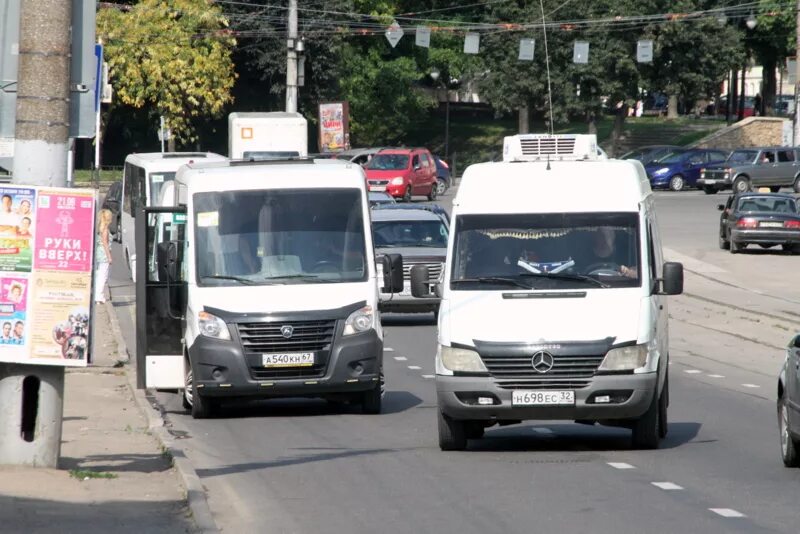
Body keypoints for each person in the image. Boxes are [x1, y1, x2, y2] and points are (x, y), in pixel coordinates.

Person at [94, 209, 113, 304]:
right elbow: (105, 243)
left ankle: (97, 295)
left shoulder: (99, 228)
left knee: (98, 275)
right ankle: (99, 296)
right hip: (103, 255)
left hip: (98, 254)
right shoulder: (105, 230)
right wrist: (109, 256)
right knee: (103, 276)